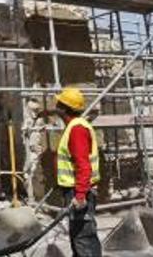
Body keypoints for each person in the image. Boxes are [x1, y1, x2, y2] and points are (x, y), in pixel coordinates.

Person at [54, 87, 101, 257]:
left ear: (64, 108)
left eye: (58, 102)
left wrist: (80, 196)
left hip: (80, 191)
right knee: (77, 236)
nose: (55, 104)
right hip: (75, 189)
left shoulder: (77, 130)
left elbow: (83, 166)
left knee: (84, 238)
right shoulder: (74, 126)